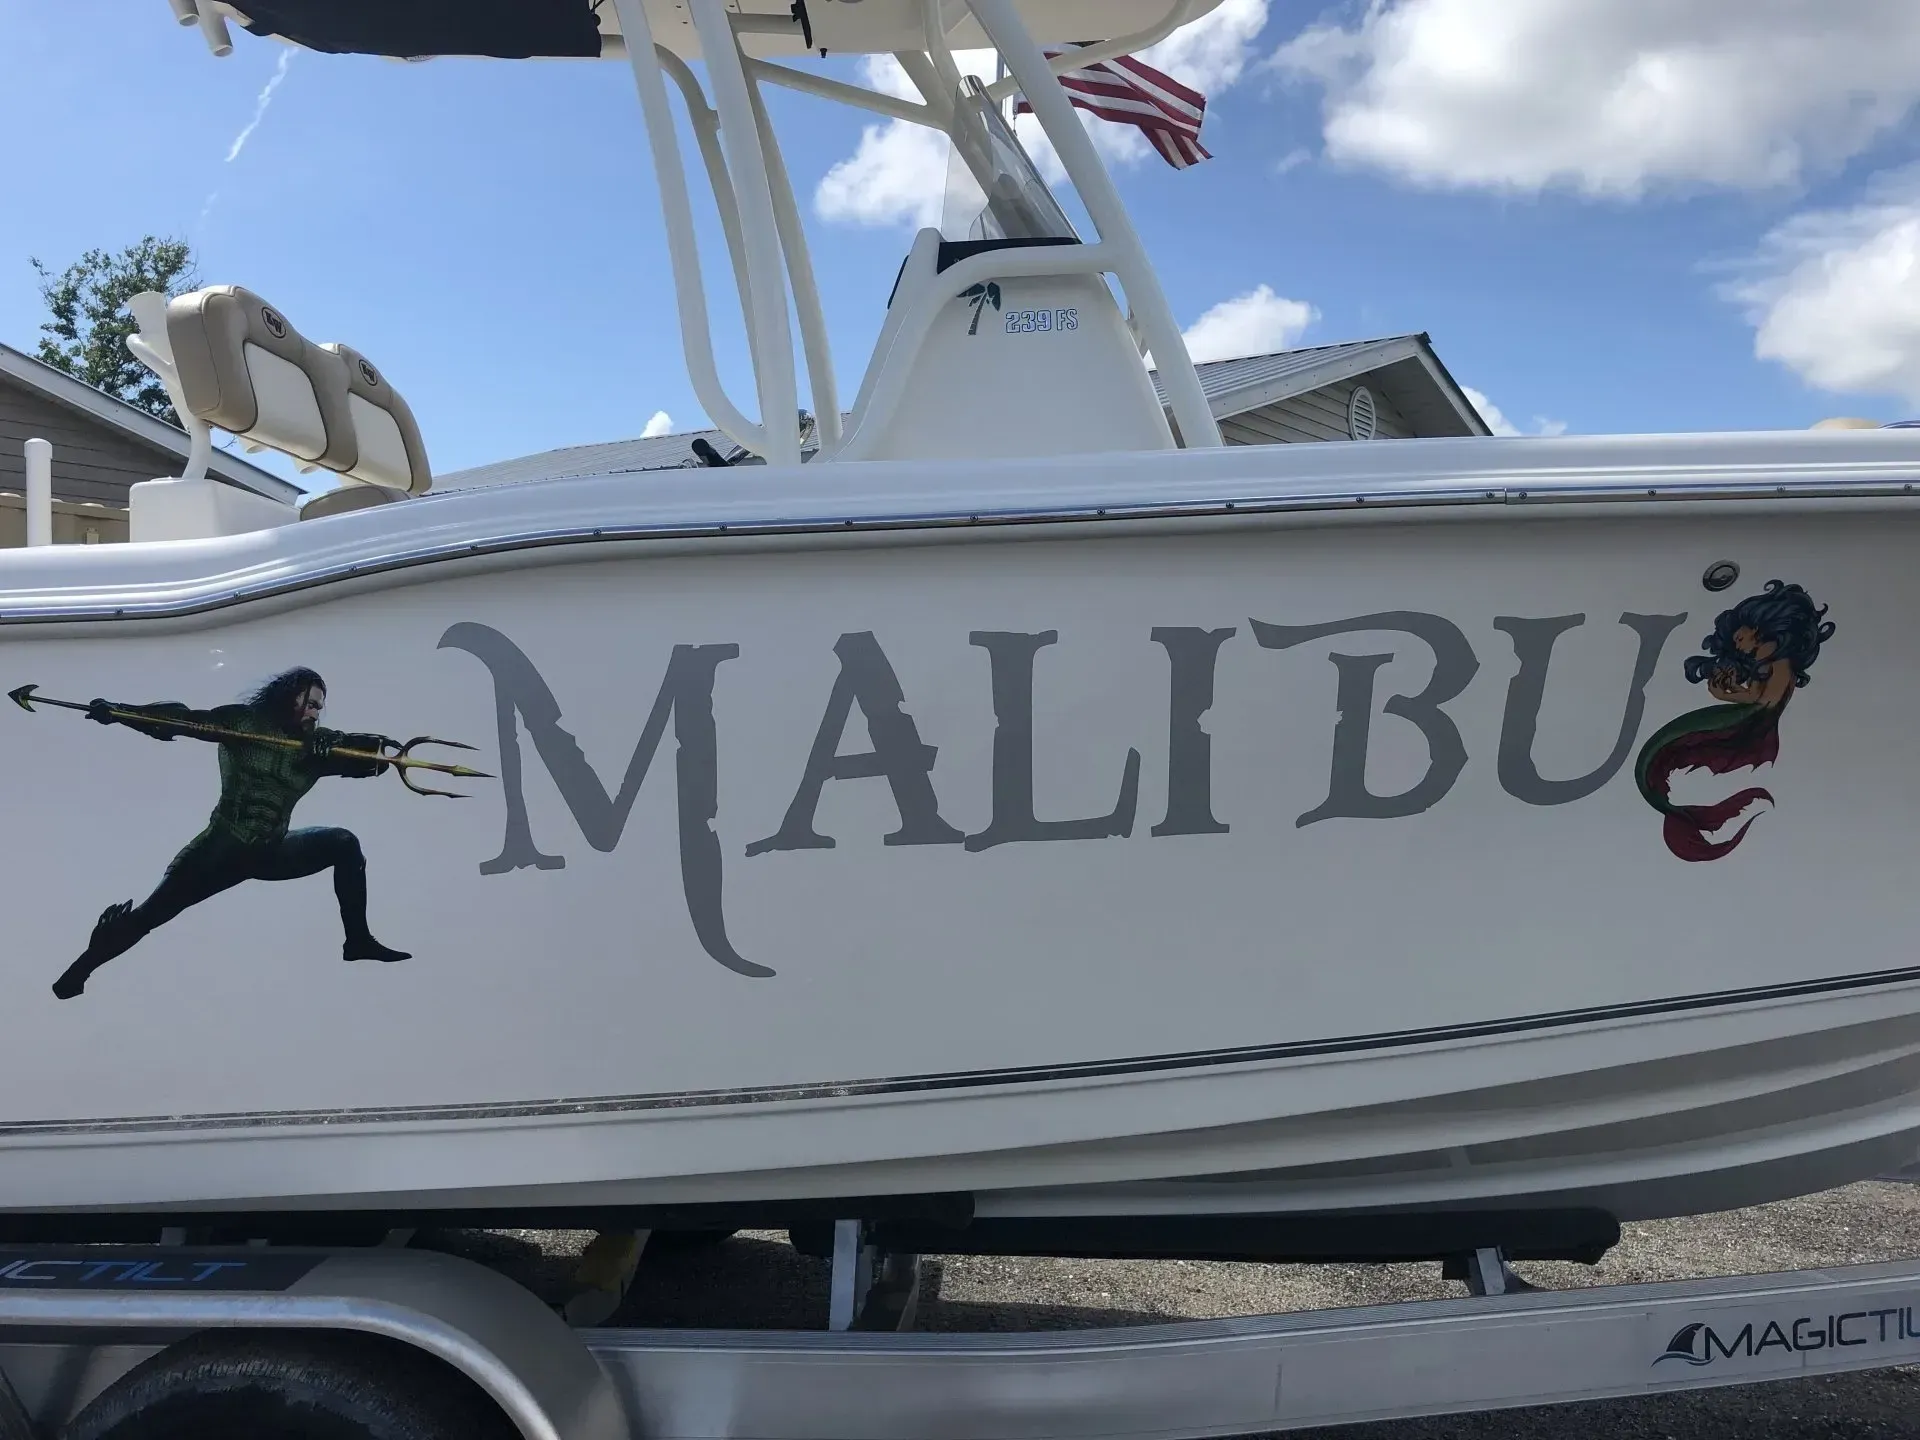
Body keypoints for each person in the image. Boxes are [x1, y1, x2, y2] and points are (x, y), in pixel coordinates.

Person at [52, 667, 409, 999]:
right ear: (291, 698)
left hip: (270, 850)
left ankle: (357, 941)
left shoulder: (318, 747)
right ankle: (79, 971)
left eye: (320, 708)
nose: (316, 713)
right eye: (312, 704)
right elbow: (181, 720)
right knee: (149, 916)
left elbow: (381, 758)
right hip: (220, 849)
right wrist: (120, 711)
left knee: (343, 843)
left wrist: (366, 750)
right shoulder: (243, 722)